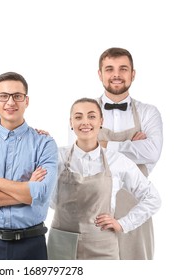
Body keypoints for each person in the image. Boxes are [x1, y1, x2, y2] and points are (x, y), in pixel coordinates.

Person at [48, 98, 161, 260]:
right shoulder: (56, 156)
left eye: (92, 116)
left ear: (101, 121)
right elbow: (49, 200)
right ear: (71, 123)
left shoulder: (117, 161)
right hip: (61, 243)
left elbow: (153, 198)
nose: (85, 122)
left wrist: (123, 224)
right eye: (78, 117)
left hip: (102, 246)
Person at [0, 71, 58, 260]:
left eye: (17, 96)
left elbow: (42, 193)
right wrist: (26, 191)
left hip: (32, 245)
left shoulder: (45, 143)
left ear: (26, 101)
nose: (10, 102)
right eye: (4, 96)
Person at [96, 47, 163, 259]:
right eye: (109, 69)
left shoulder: (148, 112)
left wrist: (105, 145)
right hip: (95, 207)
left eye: (123, 69)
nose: (116, 74)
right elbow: (80, 156)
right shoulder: (85, 112)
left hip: (137, 206)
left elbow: (152, 153)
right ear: (100, 74)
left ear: (132, 74)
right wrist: (132, 146)